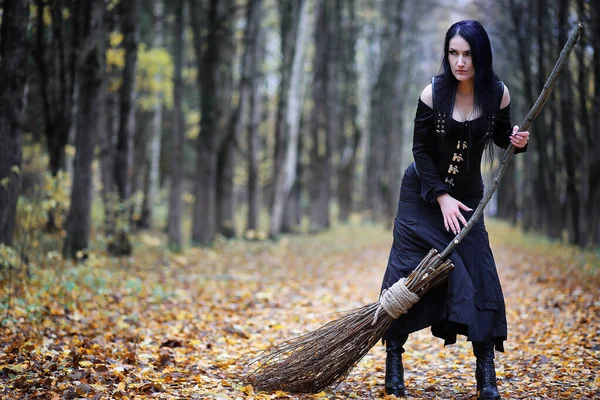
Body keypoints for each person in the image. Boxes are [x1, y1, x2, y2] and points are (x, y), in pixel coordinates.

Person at [380, 20, 529, 400]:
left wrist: (517, 141)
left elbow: (500, 136)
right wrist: (440, 196)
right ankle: (394, 362)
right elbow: (421, 152)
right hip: (423, 197)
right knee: (405, 275)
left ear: (480, 55)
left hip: (467, 200)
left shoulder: (498, 93)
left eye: (467, 54)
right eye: (453, 53)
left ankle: (486, 376)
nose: (460, 62)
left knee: (480, 274)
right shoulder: (433, 93)